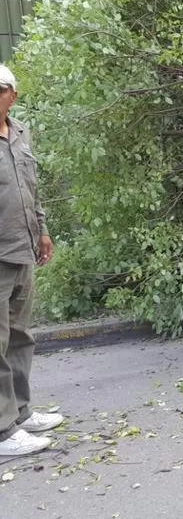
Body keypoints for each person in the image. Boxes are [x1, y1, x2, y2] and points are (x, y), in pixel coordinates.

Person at [0, 64, 63, 456]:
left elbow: (31, 189)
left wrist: (41, 230)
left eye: (0, 89)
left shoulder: (21, 132)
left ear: (13, 95)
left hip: (22, 249)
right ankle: (4, 431)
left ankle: (21, 413)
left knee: (21, 337)